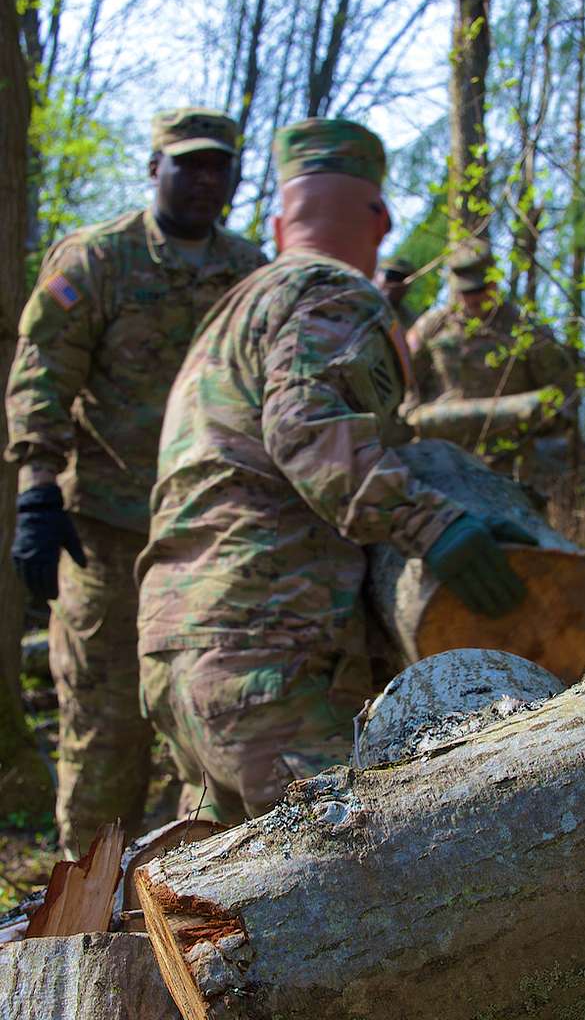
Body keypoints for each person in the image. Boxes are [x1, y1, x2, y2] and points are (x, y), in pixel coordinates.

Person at [135, 118, 535, 828]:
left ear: (280, 220)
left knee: (222, 910)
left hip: (181, 645)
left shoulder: (234, 310)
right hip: (272, 655)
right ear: (378, 218)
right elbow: (306, 428)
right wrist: (434, 524)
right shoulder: (334, 294)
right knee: (365, 892)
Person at [6, 107, 266, 857]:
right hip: (107, 535)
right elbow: (41, 377)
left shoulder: (250, 273)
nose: (203, 179)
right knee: (106, 724)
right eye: (188, 164)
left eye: (218, 166)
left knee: (217, 719)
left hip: (215, 536)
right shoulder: (96, 260)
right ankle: (85, 914)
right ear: (155, 167)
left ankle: (203, 895)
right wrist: (36, 488)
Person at [405, 238, 577, 485]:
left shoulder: (524, 329)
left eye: (481, 288)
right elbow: (406, 387)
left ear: (494, 282)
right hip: (446, 464)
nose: (474, 299)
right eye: (466, 292)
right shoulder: (432, 328)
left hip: (512, 465)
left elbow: (562, 395)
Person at [373, 255, 417, 335]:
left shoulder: (410, 321)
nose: (395, 283)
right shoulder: (356, 297)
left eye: (401, 278)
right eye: (391, 275)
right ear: (377, 275)